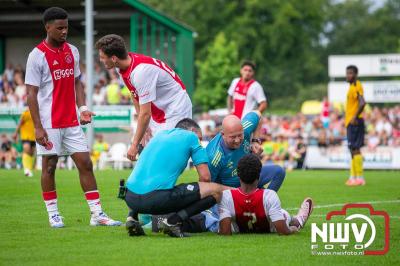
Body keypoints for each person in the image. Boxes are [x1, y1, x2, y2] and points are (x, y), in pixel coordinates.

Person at [25, 7, 121, 228]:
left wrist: (83, 107)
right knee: (50, 166)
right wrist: (38, 127)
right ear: (47, 27)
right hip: (49, 122)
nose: (64, 31)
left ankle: (97, 214)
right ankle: (54, 214)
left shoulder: (73, 51)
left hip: (71, 120)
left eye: (66, 27)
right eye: (59, 28)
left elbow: (77, 81)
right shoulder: (36, 56)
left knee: (85, 164)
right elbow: (31, 93)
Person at [124, 118, 228, 237]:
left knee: (148, 180)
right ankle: (173, 222)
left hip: (129, 197)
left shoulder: (160, 135)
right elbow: (205, 178)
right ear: (193, 131)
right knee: (215, 192)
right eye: (200, 138)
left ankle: (132, 218)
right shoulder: (191, 137)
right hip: (154, 199)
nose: (200, 142)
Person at [95, 34, 192, 161]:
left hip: (176, 108)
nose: (101, 60)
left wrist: (134, 144)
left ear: (113, 58)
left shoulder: (141, 72)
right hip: (161, 108)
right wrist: (145, 129)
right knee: (152, 152)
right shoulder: (122, 66)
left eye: (102, 57)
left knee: (164, 155)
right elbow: (134, 95)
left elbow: (145, 114)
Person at [218, 154, 313, 235]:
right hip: (272, 229)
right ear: (259, 175)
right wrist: (292, 230)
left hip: (239, 229)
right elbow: (283, 231)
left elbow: (225, 232)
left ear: (237, 174)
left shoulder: (226, 196)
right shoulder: (270, 195)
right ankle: (298, 221)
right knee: (284, 214)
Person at [207, 111, 285, 191]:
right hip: (230, 190)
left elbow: (258, 115)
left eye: (240, 135)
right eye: (233, 137)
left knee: (279, 172)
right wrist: (233, 192)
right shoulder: (213, 156)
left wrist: (255, 141)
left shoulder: (245, 128)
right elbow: (206, 185)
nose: (237, 140)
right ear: (223, 134)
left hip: (249, 177)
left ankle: (265, 201)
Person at [344, 65, 366, 186]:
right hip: (350, 122)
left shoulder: (357, 85)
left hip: (355, 122)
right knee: (352, 149)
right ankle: (353, 177)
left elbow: (363, 102)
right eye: (347, 73)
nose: (348, 75)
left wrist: (354, 116)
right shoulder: (351, 87)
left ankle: (360, 177)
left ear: (356, 75)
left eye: (351, 73)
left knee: (356, 148)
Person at [13, 107, 36, 177]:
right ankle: (26, 169)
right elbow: (20, 123)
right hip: (26, 136)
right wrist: (16, 133)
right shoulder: (26, 113)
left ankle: (29, 169)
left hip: (33, 136)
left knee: (31, 153)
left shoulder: (37, 113)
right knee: (27, 149)